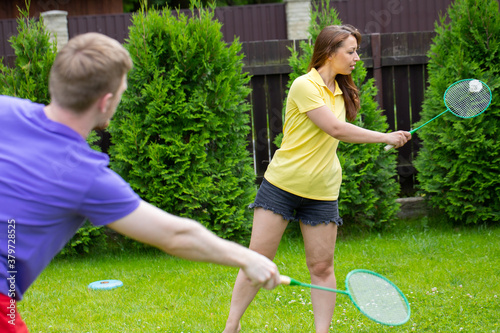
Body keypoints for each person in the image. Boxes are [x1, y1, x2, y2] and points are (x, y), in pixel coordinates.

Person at [0, 32, 281, 333]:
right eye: (122, 91)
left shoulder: (5, 109)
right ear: (106, 101)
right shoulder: (85, 175)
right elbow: (175, 235)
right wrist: (247, 258)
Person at [222, 25, 411, 333]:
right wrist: (384, 136)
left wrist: (385, 138)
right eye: (350, 51)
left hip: (322, 191)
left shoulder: (340, 92)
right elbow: (335, 129)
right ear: (329, 53)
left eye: (356, 51)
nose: (356, 58)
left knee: (322, 267)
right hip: (282, 186)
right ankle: (232, 326)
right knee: (258, 259)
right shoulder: (303, 85)